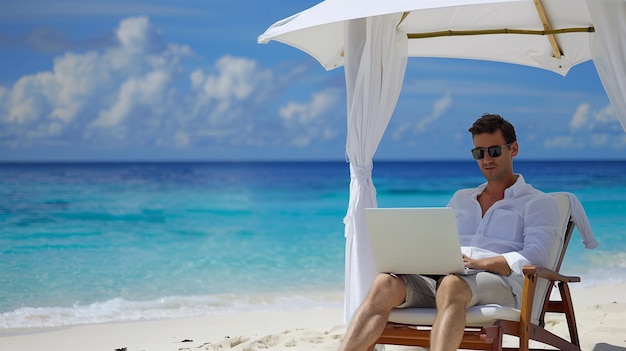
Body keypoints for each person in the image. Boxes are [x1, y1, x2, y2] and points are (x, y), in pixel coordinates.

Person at [338, 113, 560, 351]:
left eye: (494, 151)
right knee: (384, 283)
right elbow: (435, 240)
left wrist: (482, 263)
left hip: (500, 284)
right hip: (444, 278)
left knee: (452, 284)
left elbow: (538, 255)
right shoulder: (461, 199)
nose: (486, 159)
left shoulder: (537, 202)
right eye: (478, 153)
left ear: (513, 149)